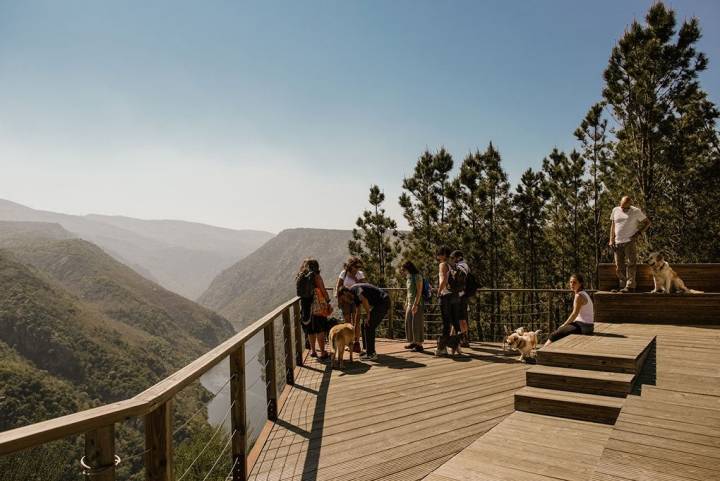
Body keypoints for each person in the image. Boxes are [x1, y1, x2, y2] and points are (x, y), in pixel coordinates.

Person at [337, 283, 390, 361]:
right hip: (380, 304)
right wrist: (354, 327)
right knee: (363, 325)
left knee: (369, 325)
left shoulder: (355, 289)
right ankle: (367, 350)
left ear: (345, 293)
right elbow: (358, 313)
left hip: (383, 302)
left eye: (343, 298)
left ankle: (371, 354)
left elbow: (364, 299)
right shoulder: (354, 297)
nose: (345, 301)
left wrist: (368, 315)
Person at [609, 196, 651, 293]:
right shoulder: (615, 210)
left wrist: (638, 233)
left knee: (631, 264)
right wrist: (611, 239)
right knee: (618, 265)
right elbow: (613, 225)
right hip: (617, 242)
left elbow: (647, 223)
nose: (623, 209)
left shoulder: (636, 211)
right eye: (622, 206)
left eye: (626, 208)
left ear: (630, 205)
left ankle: (630, 286)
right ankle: (622, 286)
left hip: (629, 242)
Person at [543, 273, 594, 347]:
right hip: (588, 326)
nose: (572, 284)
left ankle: (541, 353)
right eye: (570, 282)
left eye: (574, 282)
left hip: (584, 327)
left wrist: (564, 325)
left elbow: (574, 314)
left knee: (555, 334)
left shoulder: (579, 296)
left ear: (580, 283)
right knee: (560, 333)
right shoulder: (584, 293)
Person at [295, 258, 331, 359]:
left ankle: (313, 351)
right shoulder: (316, 276)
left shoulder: (301, 275)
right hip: (317, 306)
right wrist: (328, 301)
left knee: (310, 329)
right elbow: (323, 290)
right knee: (319, 329)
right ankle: (323, 352)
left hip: (305, 305)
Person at [336, 256, 366, 352]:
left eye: (359, 267)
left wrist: (355, 278)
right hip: (345, 301)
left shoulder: (360, 274)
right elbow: (338, 286)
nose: (357, 269)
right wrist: (339, 300)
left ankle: (356, 343)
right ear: (351, 265)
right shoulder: (343, 273)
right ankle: (349, 343)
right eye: (356, 266)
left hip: (356, 300)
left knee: (356, 322)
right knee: (348, 323)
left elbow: (363, 287)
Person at [436, 246, 461, 356]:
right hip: (455, 295)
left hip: (446, 296)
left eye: (439, 254)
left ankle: (441, 348)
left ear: (444, 255)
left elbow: (443, 280)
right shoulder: (453, 265)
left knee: (446, 323)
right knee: (455, 322)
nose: (437, 256)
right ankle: (455, 346)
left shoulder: (443, 265)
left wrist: (438, 292)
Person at [401, 260, 425, 352]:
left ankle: (419, 345)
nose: (403, 272)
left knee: (417, 323)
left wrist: (415, 304)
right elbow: (408, 291)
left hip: (417, 303)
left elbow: (419, 292)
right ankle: (413, 342)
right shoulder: (409, 277)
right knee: (409, 322)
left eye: (404, 270)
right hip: (410, 303)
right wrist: (406, 302)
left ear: (408, 268)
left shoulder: (417, 276)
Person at [450, 250, 470, 347]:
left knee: (461, 319)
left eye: (453, 258)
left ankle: (464, 339)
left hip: (460, 296)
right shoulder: (464, 265)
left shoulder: (462, 267)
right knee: (458, 318)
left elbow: (458, 281)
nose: (452, 260)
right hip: (461, 295)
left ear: (458, 257)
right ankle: (455, 338)